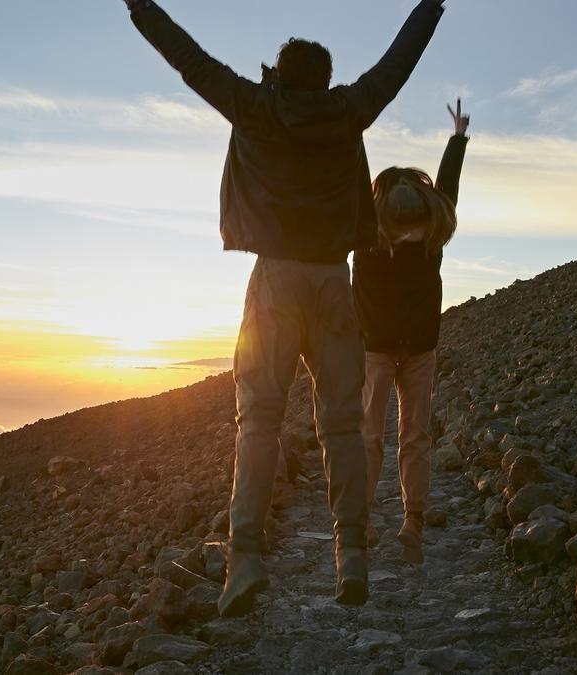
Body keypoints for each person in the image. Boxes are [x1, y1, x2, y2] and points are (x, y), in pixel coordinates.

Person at [119, 0, 446, 615]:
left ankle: (243, 562)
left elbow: (187, 59)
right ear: (325, 78)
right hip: (331, 284)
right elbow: (400, 62)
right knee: (343, 426)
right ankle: (351, 554)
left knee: (260, 423)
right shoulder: (350, 110)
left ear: (278, 71)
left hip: (273, 283)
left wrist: (139, 6)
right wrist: (432, 6)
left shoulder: (253, 106)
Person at [353, 98, 470, 564]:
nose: (409, 240)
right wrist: (351, 129)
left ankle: (411, 522)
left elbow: (448, 189)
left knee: (405, 435)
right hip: (378, 348)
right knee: (378, 435)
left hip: (413, 348)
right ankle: (365, 521)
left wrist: (458, 140)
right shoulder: (365, 231)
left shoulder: (430, 232)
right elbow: (355, 178)